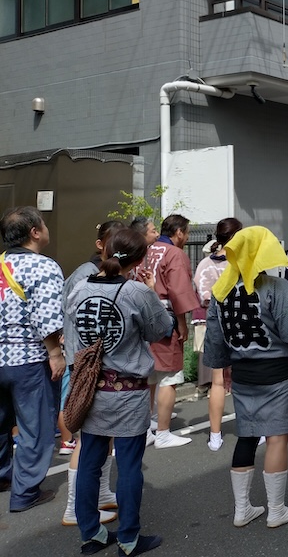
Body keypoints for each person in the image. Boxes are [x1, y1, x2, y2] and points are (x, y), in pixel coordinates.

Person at [204, 226, 288, 529]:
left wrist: (223, 364)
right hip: (277, 374)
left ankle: (242, 509)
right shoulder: (275, 287)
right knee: (276, 438)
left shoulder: (221, 291)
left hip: (243, 374)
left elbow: (215, 339)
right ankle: (276, 509)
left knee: (247, 435)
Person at [66, 228, 174, 555]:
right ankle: (128, 538)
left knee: (90, 461)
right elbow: (161, 329)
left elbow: (73, 333)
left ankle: (92, 534)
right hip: (128, 391)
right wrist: (152, 291)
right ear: (139, 260)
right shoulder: (137, 292)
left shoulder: (79, 289)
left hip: (91, 388)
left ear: (106, 250)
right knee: (128, 466)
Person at [0, 206, 65, 513]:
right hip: (28, 358)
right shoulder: (43, 266)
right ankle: (25, 493)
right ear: (35, 232)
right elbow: (48, 316)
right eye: (44, 224)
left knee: (1, 424)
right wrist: (55, 353)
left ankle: (2, 476)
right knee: (34, 428)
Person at [60, 220, 124, 527]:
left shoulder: (102, 273)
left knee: (103, 436)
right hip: (86, 366)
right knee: (87, 439)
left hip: (93, 364)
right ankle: (74, 507)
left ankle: (101, 493)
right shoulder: (86, 273)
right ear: (100, 244)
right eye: (114, 242)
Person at [138, 214, 199, 448]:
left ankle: (146, 428)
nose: (187, 237)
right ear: (179, 232)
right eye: (187, 233)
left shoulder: (147, 250)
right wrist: (182, 322)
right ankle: (162, 432)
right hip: (165, 317)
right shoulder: (174, 253)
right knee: (169, 377)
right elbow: (178, 291)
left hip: (142, 317)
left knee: (149, 376)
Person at [194, 218, 243, 452]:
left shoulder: (205, 264)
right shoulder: (241, 262)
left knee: (217, 381)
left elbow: (202, 295)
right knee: (245, 378)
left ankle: (215, 435)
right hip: (242, 323)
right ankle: (254, 428)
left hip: (214, 322)